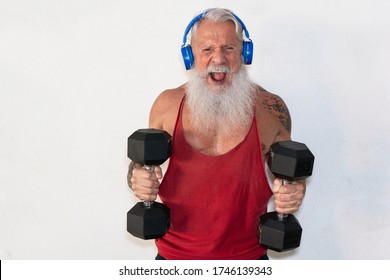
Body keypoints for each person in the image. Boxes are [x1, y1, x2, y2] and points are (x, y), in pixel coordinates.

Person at [127, 8, 306, 260]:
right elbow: (140, 167)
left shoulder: (270, 110)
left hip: (247, 258)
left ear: (244, 53)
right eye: (207, 49)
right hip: (175, 258)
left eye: (229, 48)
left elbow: (290, 178)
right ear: (190, 56)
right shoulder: (167, 105)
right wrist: (137, 178)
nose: (218, 58)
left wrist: (294, 192)